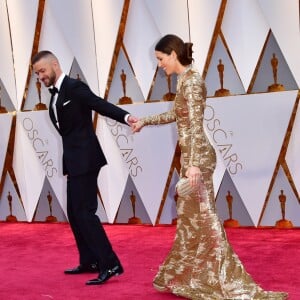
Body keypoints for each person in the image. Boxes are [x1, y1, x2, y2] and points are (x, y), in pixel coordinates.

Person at [132, 34, 287, 299]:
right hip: (194, 158)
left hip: (198, 160)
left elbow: (193, 124)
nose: (159, 65)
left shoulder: (192, 83)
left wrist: (192, 165)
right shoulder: (185, 81)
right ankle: (193, 274)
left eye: (160, 59)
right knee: (192, 221)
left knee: (206, 221)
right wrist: (145, 121)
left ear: (172, 53)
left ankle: (231, 280)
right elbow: (177, 115)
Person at [32, 50, 137, 286]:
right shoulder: (55, 94)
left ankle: (110, 264)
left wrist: (127, 117)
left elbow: (99, 104)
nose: (40, 76)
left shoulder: (74, 87)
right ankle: (89, 260)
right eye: (37, 74)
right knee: (74, 213)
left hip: (87, 159)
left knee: (84, 213)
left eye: (42, 71)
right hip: (74, 161)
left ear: (55, 65)